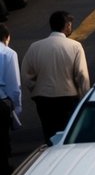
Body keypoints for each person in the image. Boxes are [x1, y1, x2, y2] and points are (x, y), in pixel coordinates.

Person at [22, 11, 89, 142]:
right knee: (67, 134)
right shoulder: (75, 46)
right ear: (67, 25)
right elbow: (82, 75)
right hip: (68, 98)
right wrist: (84, 97)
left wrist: (36, 88)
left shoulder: (35, 47)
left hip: (43, 98)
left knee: (48, 132)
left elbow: (26, 75)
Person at [0, 24, 19, 175]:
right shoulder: (8, 53)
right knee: (3, 138)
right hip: (1, 102)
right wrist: (16, 108)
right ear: (6, 37)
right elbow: (14, 86)